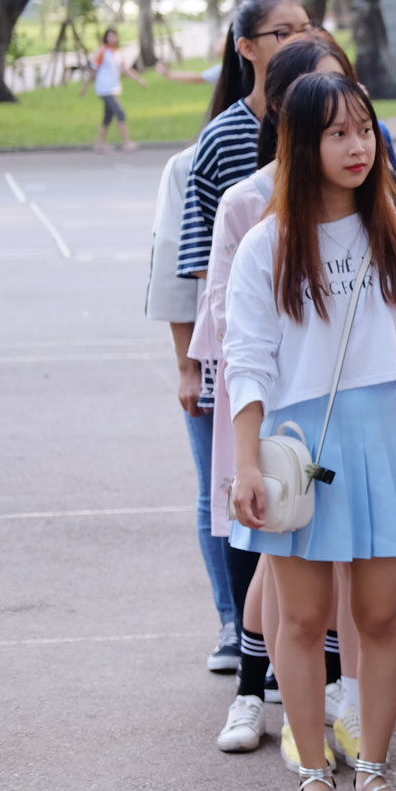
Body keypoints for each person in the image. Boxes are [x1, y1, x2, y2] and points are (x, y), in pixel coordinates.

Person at [227, 71, 396, 791]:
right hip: (297, 445)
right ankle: (314, 774)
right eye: (338, 133)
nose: (359, 146)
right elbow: (247, 357)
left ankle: (376, 767)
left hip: (387, 435)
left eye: (365, 129)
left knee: (381, 614)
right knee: (301, 619)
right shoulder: (267, 243)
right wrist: (246, 462)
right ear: (301, 143)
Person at [199, 34, 373, 768]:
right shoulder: (249, 203)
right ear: (289, 111)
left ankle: (345, 703)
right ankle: (253, 686)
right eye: (326, 111)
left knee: (350, 575)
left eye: (354, 112)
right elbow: (222, 322)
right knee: (275, 560)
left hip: (355, 413)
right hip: (273, 411)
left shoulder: (376, 201)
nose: (349, 131)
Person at [179, 0, 313, 746]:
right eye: (283, 31)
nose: (298, 42)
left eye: (307, 31)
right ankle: (251, 675)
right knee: (249, 521)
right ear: (247, 47)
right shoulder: (232, 162)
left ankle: (326, 685)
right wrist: (194, 364)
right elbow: (204, 273)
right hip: (250, 371)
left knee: (315, 533)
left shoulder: (356, 152)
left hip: (328, 383)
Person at [145, 143, 235, 673]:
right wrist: (188, 366)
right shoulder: (193, 161)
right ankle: (234, 622)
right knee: (217, 487)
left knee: (300, 481)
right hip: (215, 355)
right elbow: (175, 269)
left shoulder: (326, 143)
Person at [91, 27, 150, 152]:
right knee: (120, 113)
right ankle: (128, 142)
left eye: (114, 36)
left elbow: (127, 70)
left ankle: (99, 144)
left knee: (108, 116)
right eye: (110, 36)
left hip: (114, 88)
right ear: (106, 37)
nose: (112, 38)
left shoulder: (118, 53)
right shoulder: (102, 52)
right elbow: (94, 70)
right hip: (105, 89)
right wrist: (85, 87)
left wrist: (141, 80)